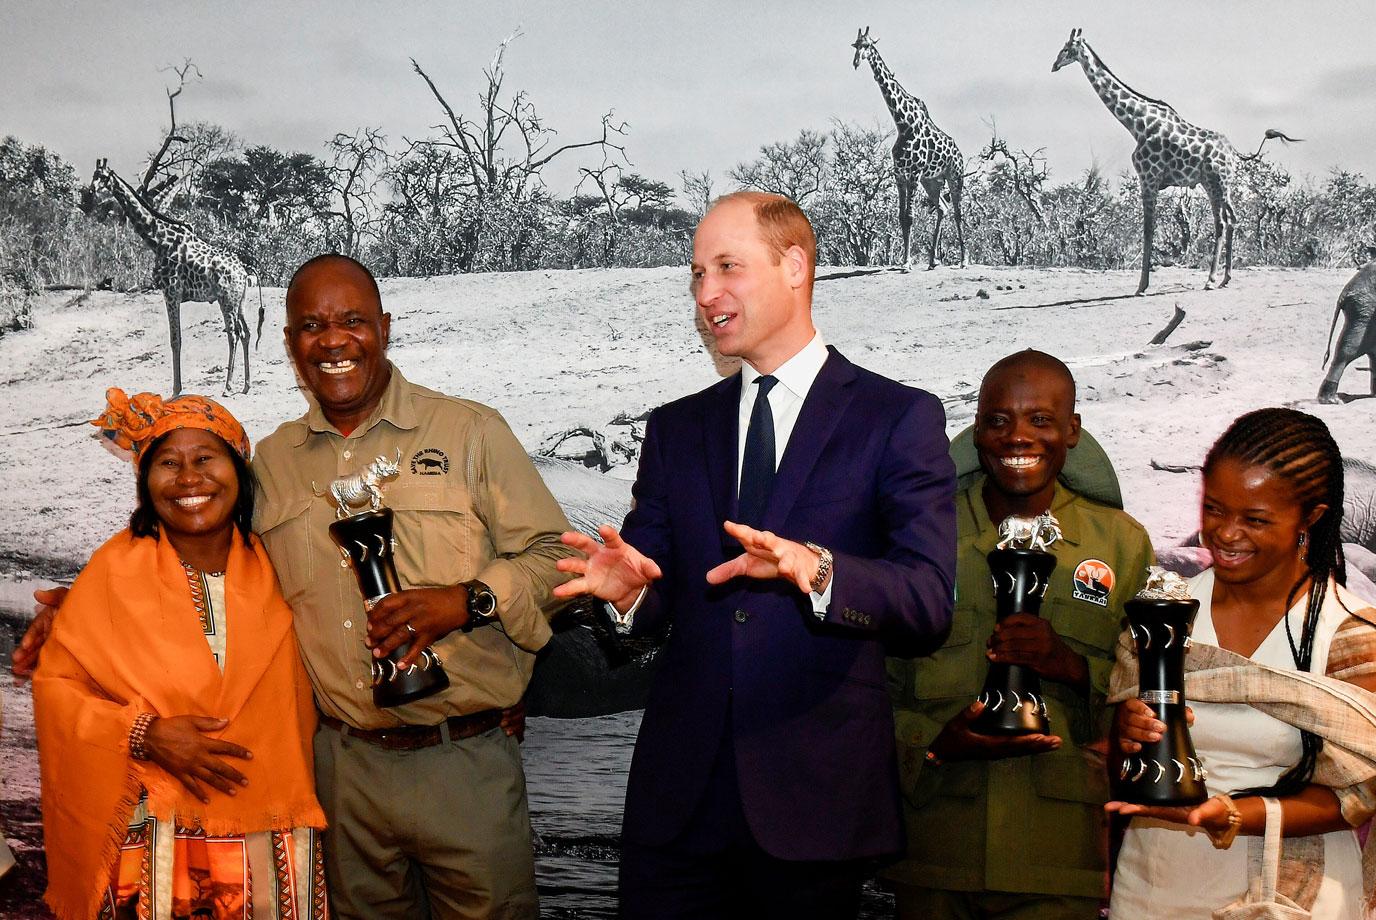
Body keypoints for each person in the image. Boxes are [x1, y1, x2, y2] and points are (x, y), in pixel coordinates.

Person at [20, 254, 574, 919]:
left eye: (352, 321)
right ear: (290, 344)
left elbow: (555, 560)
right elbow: (199, 551)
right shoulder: (272, 464)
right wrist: (77, 612)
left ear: (385, 328)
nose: (332, 340)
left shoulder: (471, 432)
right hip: (337, 773)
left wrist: (467, 600)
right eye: (311, 325)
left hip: (464, 761)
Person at [554, 191, 957, 918]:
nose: (707, 294)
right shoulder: (677, 429)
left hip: (815, 807)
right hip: (675, 809)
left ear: (794, 266)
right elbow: (657, 588)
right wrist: (629, 597)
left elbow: (928, 602)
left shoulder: (897, 418)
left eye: (727, 268)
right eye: (697, 274)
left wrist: (822, 571)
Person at [33, 389, 325, 920]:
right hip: (150, 842)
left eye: (206, 458)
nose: (189, 478)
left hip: (270, 832)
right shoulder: (112, 573)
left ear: (239, 471)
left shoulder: (283, 566)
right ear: (146, 483)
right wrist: (145, 734)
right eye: (168, 463)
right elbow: (57, 686)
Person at [883, 350, 1156, 919]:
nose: (1018, 436)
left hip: (1058, 855)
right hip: (937, 846)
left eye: (1041, 420)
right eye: (999, 420)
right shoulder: (921, 536)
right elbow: (867, 685)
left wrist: (1072, 666)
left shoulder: (1121, 545)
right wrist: (932, 744)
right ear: (976, 429)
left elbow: (1145, 703)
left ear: (1072, 430)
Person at [1109, 407, 1376, 919]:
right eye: (1213, 510)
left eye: (1255, 519)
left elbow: (1355, 797)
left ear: (1311, 518)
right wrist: (1125, 730)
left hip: (1292, 896)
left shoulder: (1349, 635)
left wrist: (1232, 814)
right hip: (1155, 884)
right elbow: (1118, 758)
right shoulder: (1159, 615)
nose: (1226, 534)